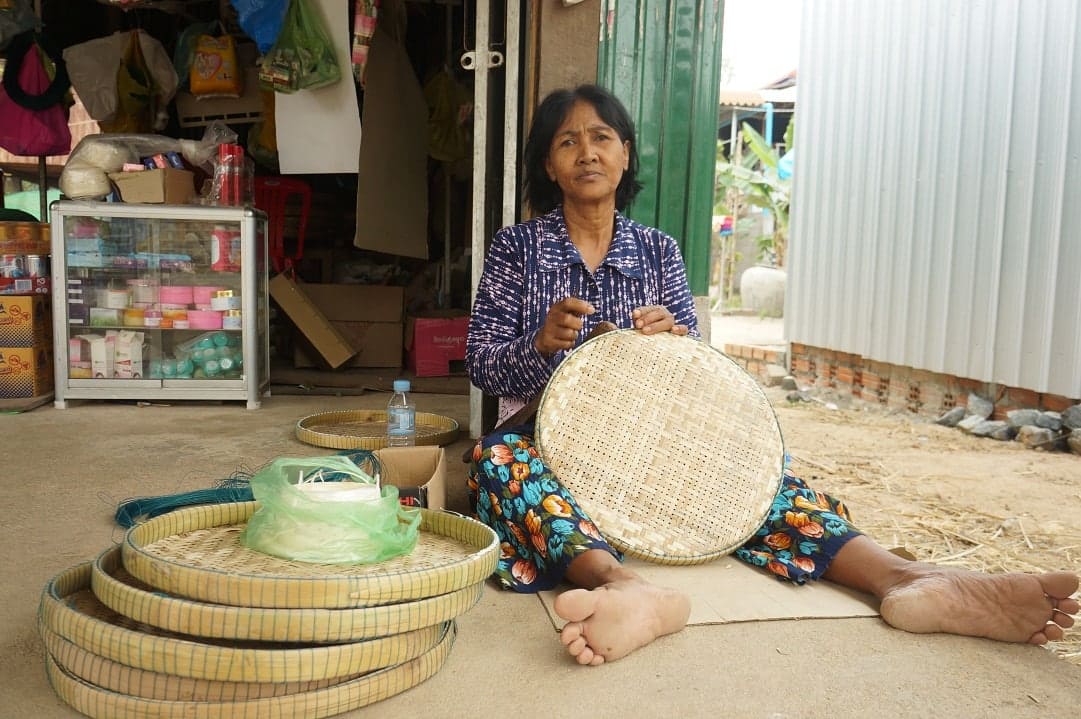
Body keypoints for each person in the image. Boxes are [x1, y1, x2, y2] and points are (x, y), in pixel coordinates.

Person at [465, 84, 1079, 667]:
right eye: (567, 141)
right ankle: (624, 586)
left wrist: (677, 343)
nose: (587, 152)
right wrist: (540, 345)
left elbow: (701, 378)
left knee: (757, 478)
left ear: (624, 154)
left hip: (656, 446)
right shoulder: (516, 250)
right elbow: (481, 362)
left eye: (601, 137)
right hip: (549, 443)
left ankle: (906, 577)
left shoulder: (658, 251)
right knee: (497, 463)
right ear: (548, 166)